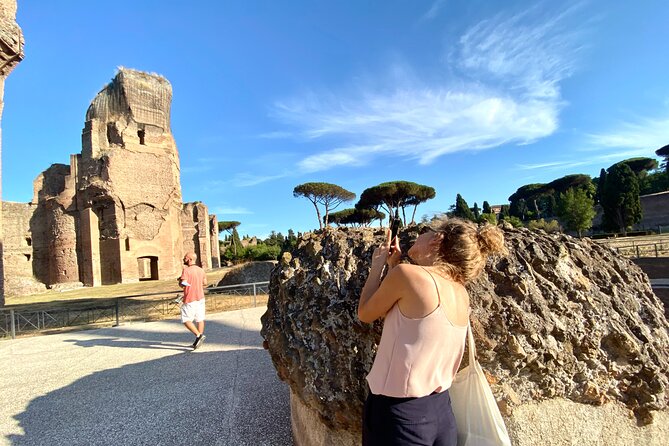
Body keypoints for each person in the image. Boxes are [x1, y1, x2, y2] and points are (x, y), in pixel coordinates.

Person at [358, 217, 506, 445]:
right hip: (442, 413)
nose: (420, 235)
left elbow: (366, 313)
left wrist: (377, 265)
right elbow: (412, 318)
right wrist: (394, 265)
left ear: (437, 240)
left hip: (400, 415)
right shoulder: (460, 291)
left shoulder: (408, 275)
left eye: (427, 232)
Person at [179, 252, 208, 350]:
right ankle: (198, 340)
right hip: (200, 297)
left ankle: (198, 335)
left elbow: (183, 283)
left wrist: (180, 281)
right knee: (200, 319)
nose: (184, 259)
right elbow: (205, 283)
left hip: (190, 298)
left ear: (189, 259)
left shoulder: (186, 270)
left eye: (185, 258)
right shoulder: (201, 270)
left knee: (186, 319)